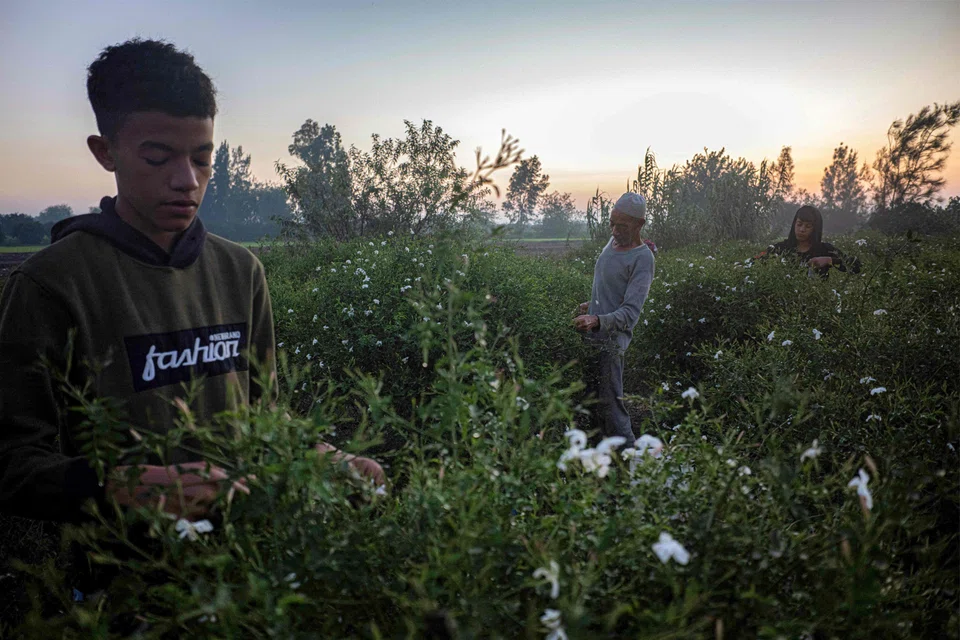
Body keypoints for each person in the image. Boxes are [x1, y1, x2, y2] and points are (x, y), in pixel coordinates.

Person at [0, 38, 384, 529]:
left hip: (248, 565)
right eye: (158, 158)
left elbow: (263, 415)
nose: (187, 180)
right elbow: (13, 460)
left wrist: (327, 456)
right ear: (106, 152)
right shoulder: (52, 284)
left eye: (202, 159)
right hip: (125, 581)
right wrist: (114, 486)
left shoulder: (240, 271)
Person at [573, 193, 656, 441]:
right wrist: (592, 304)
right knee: (589, 402)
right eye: (612, 223)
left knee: (612, 408)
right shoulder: (612, 243)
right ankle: (599, 461)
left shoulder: (642, 258)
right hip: (592, 338)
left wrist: (597, 320)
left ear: (639, 225)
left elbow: (630, 313)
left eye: (622, 226)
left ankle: (629, 460)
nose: (615, 230)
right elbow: (610, 285)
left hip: (610, 343)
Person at [757, 205, 860, 277]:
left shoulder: (824, 250)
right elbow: (755, 262)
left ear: (815, 229)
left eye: (808, 226)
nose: (802, 229)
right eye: (799, 224)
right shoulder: (780, 248)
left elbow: (856, 267)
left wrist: (830, 260)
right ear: (794, 224)